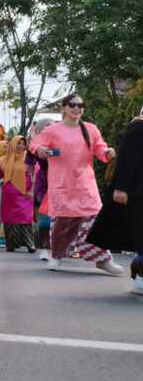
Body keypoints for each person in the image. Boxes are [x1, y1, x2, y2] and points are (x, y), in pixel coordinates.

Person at [29, 94, 123, 275]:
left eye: (80, 105)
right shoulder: (53, 130)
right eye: (72, 105)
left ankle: (103, 259)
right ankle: (56, 256)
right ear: (64, 108)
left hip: (86, 185)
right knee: (63, 224)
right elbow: (35, 144)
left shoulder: (90, 129)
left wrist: (108, 152)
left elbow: (100, 148)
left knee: (95, 224)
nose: (76, 108)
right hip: (63, 185)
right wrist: (40, 149)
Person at [87, 106, 143, 294]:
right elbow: (126, 160)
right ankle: (140, 276)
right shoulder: (138, 128)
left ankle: (138, 268)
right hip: (136, 192)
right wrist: (120, 187)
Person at [0, 136, 36, 252]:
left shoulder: (29, 159)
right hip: (8, 195)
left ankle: (29, 244)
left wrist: (32, 191)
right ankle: (11, 244)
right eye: (18, 143)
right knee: (9, 219)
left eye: (23, 143)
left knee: (26, 218)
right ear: (13, 144)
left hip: (25, 195)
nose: (21, 146)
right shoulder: (2, 160)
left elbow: (35, 175)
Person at [27, 118, 54, 259]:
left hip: (62, 181)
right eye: (46, 127)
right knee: (45, 215)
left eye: (52, 126)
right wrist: (32, 181)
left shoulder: (61, 141)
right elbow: (29, 164)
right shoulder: (34, 145)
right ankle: (45, 248)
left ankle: (59, 248)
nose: (50, 129)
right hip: (44, 181)